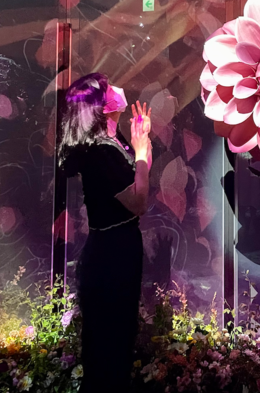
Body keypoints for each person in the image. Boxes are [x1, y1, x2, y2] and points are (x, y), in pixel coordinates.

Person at [58, 72, 152, 392]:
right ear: (99, 105)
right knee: (109, 344)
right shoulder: (102, 151)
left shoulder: (114, 142)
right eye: (109, 88)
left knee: (120, 337)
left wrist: (141, 142)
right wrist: (141, 151)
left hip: (120, 245)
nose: (117, 91)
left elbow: (141, 179)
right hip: (111, 252)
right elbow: (139, 202)